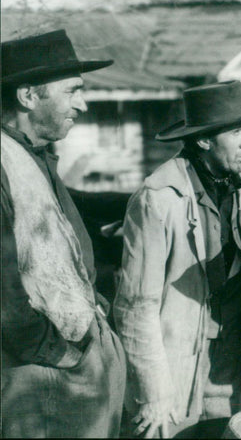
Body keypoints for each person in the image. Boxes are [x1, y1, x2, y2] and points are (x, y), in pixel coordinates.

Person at [113, 80, 241, 437]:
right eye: (237, 131)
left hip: (228, 369)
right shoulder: (158, 199)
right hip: (172, 368)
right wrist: (153, 393)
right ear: (204, 140)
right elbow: (134, 307)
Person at [1, 29, 127, 437]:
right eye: (72, 91)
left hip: (71, 364)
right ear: (27, 96)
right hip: (38, 377)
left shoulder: (35, 156)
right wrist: (57, 351)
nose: (83, 104)